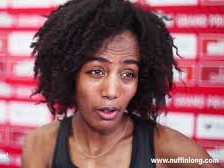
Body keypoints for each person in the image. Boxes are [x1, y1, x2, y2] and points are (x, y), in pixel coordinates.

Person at [22, 0, 223, 168]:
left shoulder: (167, 148)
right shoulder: (41, 144)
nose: (111, 91)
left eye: (128, 74)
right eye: (96, 71)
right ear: (70, 73)